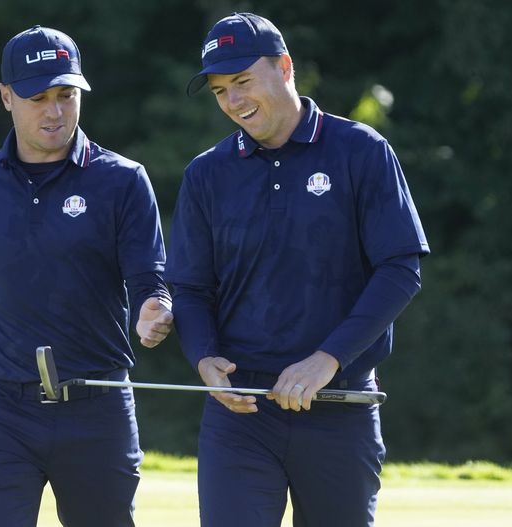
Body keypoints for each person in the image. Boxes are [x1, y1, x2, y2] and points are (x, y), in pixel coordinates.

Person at [0, 25, 173, 527]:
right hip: (3, 411)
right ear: (6, 97)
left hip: (97, 406)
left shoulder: (122, 180)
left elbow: (148, 280)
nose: (55, 111)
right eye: (37, 97)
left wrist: (155, 309)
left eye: (66, 95)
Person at [166, 12, 430, 527]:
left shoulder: (361, 151)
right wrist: (203, 358)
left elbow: (400, 268)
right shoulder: (206, 174)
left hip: (339, 404)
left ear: (284, 67)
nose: (234, 101)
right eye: (221, 91)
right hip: (240, 414)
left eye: (242, 81)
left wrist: (326, 359)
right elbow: (191, 287)